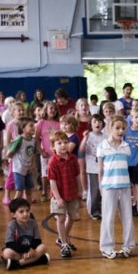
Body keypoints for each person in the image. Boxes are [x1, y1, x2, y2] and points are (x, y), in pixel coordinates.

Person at [97, 115, 135, 259]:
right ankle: (106, 247)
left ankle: (129, 246)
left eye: (123, 128)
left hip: (125, 187)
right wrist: (101, 186)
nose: (120, 131)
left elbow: (128, 168)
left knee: (128, 218)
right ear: (110, 128)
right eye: (117, 128)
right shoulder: (102, 147)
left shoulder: (126, 147)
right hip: (108, 187)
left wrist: (131, 188)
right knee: (108, 218)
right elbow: (100, 170)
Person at [47, 130, 82, 258]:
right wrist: (58, 198)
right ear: (53, 147)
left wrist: (80, 190)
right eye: (59, 143)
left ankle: (62, 238)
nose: (63, 145)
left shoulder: (73, 158)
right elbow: (52, 182)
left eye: (65, 142)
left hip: (71, 193)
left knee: (73, 217)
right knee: (61, 218)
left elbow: (77, 175)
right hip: (59, 195)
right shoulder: (53, 162)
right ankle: (64, 244)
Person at [2, 197, 49, 270]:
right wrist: (26, 250)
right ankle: (38, 260)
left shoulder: (33, 223)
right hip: (18, 252)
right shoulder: (12, 225)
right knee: (7, 253)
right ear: (13, 215)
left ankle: (19, 264)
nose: (25, 214)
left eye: (27, 211)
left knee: (43, 247)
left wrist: (31, 250)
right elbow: (10, 244)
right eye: (21, 212)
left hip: (31, 252)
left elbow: (38, 241)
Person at [79, 113, 105, 220]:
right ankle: (93, 211)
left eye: (99, 121)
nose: (97, 123)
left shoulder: (106, 136)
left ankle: (101, 210)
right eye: (95, 122)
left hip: (104, 168)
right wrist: (84, 139)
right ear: (91, 124)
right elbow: (81, 151)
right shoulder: (88, 136)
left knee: (102, 191)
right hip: (92, 168)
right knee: (94, 191)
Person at [5, 116, 37, 202]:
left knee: (29, 190)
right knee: (19, 191)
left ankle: (28, 209)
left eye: (34, 125)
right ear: (23, 128)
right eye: (31, 125)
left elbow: (32, 154)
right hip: (19, 170)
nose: (33, 127)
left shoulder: (33, 140)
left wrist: (32, 165)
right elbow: (9, 153)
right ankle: (14, 209)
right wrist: (15, 159)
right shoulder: (19, 139)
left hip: (28, 169)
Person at [35, 100, 60, 200]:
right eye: (51, 108)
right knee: (45, 173)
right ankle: (44, 192)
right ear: (46, 110)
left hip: (56, 153)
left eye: (54, 108)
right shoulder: (41, 123)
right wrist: (41, 151)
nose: (53, 110)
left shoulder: (58, 123)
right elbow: (36, 139)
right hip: (45, 153)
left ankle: (54, 192)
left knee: (56, 173)